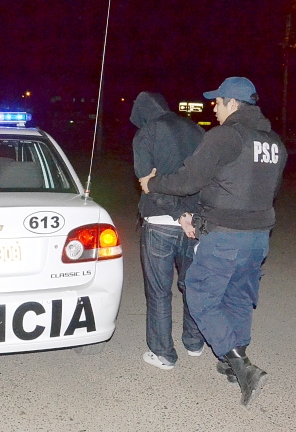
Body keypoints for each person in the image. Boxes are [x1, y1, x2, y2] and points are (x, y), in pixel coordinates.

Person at [139, 77, 287, 405]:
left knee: (200, 295)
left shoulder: (225, 137)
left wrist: (154, 184)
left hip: (225, 237)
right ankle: (233, 365)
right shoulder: (274, 142)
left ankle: (242, 366)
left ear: (232, 103)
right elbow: (270, 191)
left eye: (217, 103)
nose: (214, 108)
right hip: (259, 237)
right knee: (238, 297)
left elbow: (190, 178)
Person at [130, 91, 206, 370]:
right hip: (195, 224)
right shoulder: (197, 130)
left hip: (161, 222)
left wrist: (177, 213)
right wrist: (191, 215)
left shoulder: (147, 133)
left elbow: (147, 181)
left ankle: (163, 353)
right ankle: (194, 342)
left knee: (160, 291)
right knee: (192, 285)